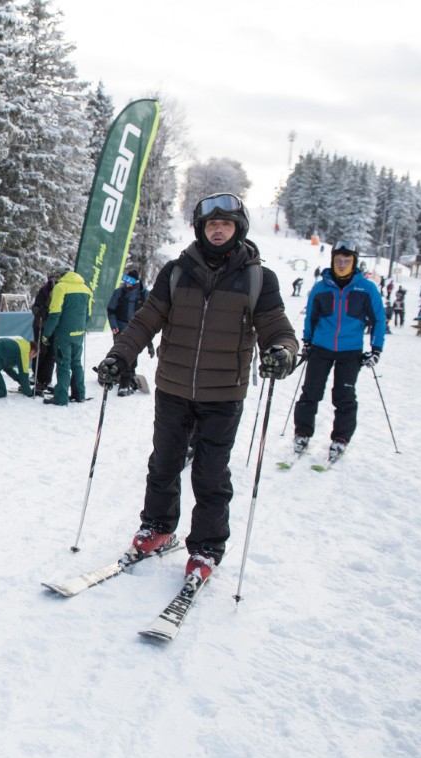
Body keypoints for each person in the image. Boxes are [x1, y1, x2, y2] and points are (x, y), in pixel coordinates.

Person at [96, 192, 297, 584]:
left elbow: (277, 328)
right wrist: (119, 356)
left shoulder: (258, 278)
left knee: (210, 474)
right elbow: (145, 320)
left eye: (225, 224)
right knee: (163, 463)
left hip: (223, 394)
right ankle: (157, 526)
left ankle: (206, 546)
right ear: (200, 229)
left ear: (238, 228)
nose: (217, 230)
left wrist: (283, 352)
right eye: (211, 224)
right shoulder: (176, 272)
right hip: (173, 388)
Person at [293, 241, 387, 461]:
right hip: (321, 347)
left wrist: (376, 349)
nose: (342, 264)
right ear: (332, 261)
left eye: (346, 260)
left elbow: (379, 319)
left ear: (354, 262)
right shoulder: (320, 287)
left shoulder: (367, 288)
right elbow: (311, 317)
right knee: (310, 392)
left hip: (350, 350)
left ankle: (341, 438)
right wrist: (307, 341)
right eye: (338, 260)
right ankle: (302, 433)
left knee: (344, 396)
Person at [41, 271, 93, 406]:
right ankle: (79, 394)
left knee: (63, 365)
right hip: (78, 333)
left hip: (63, 334)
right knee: (76, 363)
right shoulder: (86, 289)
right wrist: (80, 328)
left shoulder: (61, 287)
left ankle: (61, 398)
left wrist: (46, 334)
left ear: (61, 276)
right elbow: (88, 314)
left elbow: (55, 313)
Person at [106, 268, 149, 396]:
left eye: (129, 281)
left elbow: (149, 315)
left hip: (136, 329)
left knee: (132, 355)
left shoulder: (144, 295)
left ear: (136, 282)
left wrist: (149, 340)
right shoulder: (119, 293)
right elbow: (111, 310)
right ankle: (122, 379)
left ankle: (128, 379)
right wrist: (114, 325)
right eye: (125, 281)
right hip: (120, 328)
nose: (126, 284)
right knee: (120, 354)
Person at [31, 274, 56, 395]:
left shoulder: (62, 290)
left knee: (51, 353)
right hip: (41, 325)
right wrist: (42, 311)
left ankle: (47, 379)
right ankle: (37, 376)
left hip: (53, 326)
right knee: (41, 351)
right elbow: (35, 308)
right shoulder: (44, 291)